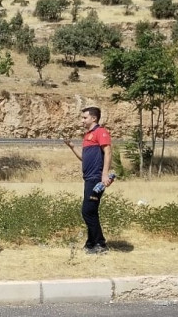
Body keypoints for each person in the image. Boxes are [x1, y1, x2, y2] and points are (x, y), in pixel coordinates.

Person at [63, 106, 113, 255]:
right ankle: (91, 243)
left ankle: (100, 244)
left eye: (84, 118)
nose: (82, 121)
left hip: (96, 178)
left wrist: (104, 174)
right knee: (91, 211)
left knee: (87, 211)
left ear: (94, 118)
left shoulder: (101, 132)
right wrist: (72, 146)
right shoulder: (87, 136)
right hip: (88, 178)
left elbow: (108, 152)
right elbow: (84, 158)